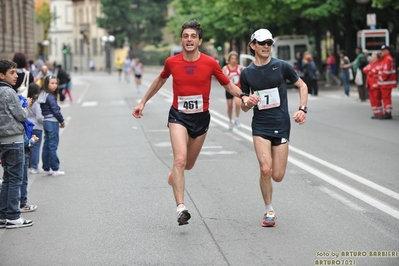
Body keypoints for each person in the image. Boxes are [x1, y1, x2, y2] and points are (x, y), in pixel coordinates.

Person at [132, 20, 244, 226]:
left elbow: (228, 85)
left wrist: (243, 96)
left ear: (199, 41)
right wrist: (143, 102)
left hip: (201, 118)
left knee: (188, 165)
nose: (189, 39)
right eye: (186, 36)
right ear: (181, 39)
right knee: (180, 160)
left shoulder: (210, 63)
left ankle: (174, 175)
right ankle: (180, 208)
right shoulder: (172, 62)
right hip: (178, 116)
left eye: (193, 36)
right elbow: (159, 81)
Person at [240, 29, 308, 227]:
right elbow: (243, 106)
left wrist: (302, 109)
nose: (266, 46)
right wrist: (248, 102)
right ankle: (269, 210)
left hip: (281, 124)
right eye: (262, 43)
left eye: (269, 42)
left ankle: (270, 198)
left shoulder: (281, 67)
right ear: (253, 45)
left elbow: (302, 86)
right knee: (265, 169)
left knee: (277, 175)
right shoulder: (247, 73)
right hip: (260, 126)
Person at [0, 59, 34, 229]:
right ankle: (13, 216)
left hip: (3, 140)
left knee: (7, 179)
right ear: (1, 75)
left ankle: (3, 214)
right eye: (12, 73)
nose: (16, 75)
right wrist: (26, 105)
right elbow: (21, 115)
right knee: (15, 179)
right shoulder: (8, 92)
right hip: (13, 139)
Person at [37, 76, 66, 176]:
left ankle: (46, 169)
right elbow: (55, 110)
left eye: (56, 83)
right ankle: (55, 169)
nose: (54, 85)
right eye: (52, 83)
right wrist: (62, 121)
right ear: (46, 84)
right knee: (53, 145)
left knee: (47, 145)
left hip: (46, 121)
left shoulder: (43, 94)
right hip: (52, 121)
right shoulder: (50, 96)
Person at [222, 51, 243, 130]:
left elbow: (244, 77)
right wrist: (228, 78)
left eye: (235, 59)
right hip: (229, 89)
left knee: (238, 104)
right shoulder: (225, 68)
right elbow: (222, 80)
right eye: (232, 58)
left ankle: (237, 119)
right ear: (229, 59)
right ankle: (230, 120)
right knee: (230, 107)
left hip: (237, 88)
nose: (234, 60)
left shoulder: (239, 68)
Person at [27, 83, 44, 173]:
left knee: (29, 146)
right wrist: (44, 121)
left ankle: (29, 166)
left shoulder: (27, 101)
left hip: (28, 126)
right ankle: (34, 167)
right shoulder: (37, 102)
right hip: (37, 126)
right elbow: (39, 116)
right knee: (36, 147)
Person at [377, 45, 397, 119]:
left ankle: (387, 113)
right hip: (385, 82)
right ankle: (387, 111)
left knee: (386, 98)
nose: (381, 52)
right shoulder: (385, 58)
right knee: (385, 97)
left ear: (386, 51)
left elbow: (386, 72)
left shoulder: (387, 59)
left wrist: (381, 79)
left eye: (383, 51)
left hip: (386, 82)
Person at [363, 52, 382, 119]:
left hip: (376, 85)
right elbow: (365, 70)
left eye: (374, 57)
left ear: (378, 58)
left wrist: (370, 71)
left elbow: (373, 72)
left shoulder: (379, 64)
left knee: (377, 99)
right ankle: (375, 112)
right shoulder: (371, 64)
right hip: (370, 84)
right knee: (372, 99)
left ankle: (379, 112)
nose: (373, 59)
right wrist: (371, 71)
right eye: (372, 57)